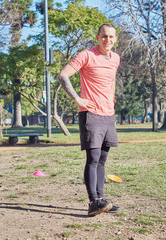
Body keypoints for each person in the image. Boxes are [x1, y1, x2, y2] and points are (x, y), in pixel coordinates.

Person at [57, 23, 121, 216]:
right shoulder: (86, 55)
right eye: (103, 36)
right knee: (92, 159)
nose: (107, 40)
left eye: (111, 37)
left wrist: (112, 98)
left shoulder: (115, 58)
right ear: (97, 37)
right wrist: (77, 98)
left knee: (102, 159)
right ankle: (93, 201)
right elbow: (63, 75)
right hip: (90, 114)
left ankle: (102, 200)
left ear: (115, 39)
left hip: (108, 114)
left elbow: (111, 80)